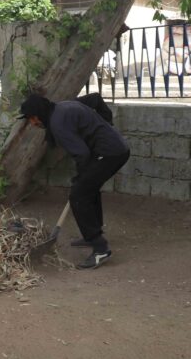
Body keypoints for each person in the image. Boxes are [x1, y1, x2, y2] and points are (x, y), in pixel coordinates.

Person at [18, 93, 130, 269]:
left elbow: (82, 154)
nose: (33, 123)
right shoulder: (63, 106)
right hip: (114, 149)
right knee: (88, 188)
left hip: (110, 154)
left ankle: (100, 248)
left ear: (39, 114)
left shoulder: (57, 124)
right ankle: (93, 233)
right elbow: (95, 99)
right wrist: (107, 123)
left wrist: (80, 177)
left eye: (32, 118)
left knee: (78, 195)